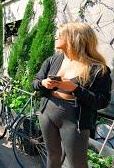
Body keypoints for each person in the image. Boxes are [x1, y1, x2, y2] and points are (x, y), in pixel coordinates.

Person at [32, 22, 112, 168]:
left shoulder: (98, 69)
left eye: (60, 34)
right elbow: (35, 82)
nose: (56, 36)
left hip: (74, 121)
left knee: (78, 164)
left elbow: (102, 102)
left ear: (74, 39)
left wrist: (75, 89)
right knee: (52, 155)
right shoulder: (53, 60)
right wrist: (43, 83)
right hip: (47, 113)